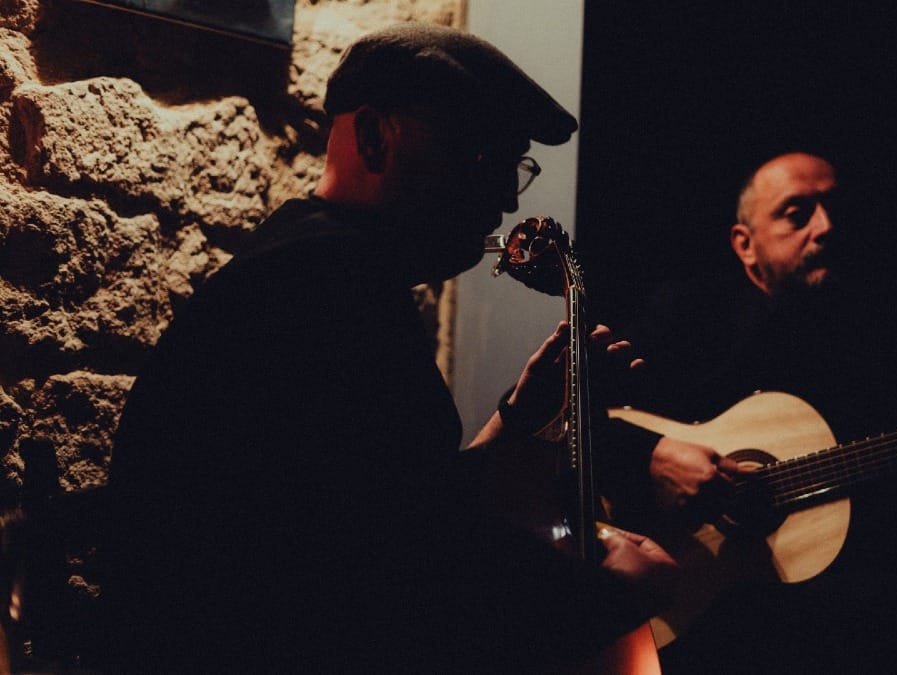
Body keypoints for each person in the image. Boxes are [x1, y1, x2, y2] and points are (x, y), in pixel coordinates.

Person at [100, 24, 676, 673]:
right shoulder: (322, 293)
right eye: (480, 156)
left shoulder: (326, 269)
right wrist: (604, 595)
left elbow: (398, 507)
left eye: (515, 166)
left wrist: (519, 414)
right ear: (373, 137)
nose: (509, 198)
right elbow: (391, 582)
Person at [595, 152, 897, 670]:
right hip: (709, 637)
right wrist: (653, 456)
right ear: (745, 245)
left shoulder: (896, 340)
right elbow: (566, 423)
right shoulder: (690, 315)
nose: (827, 226)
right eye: (797, 213)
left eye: (836, 208)